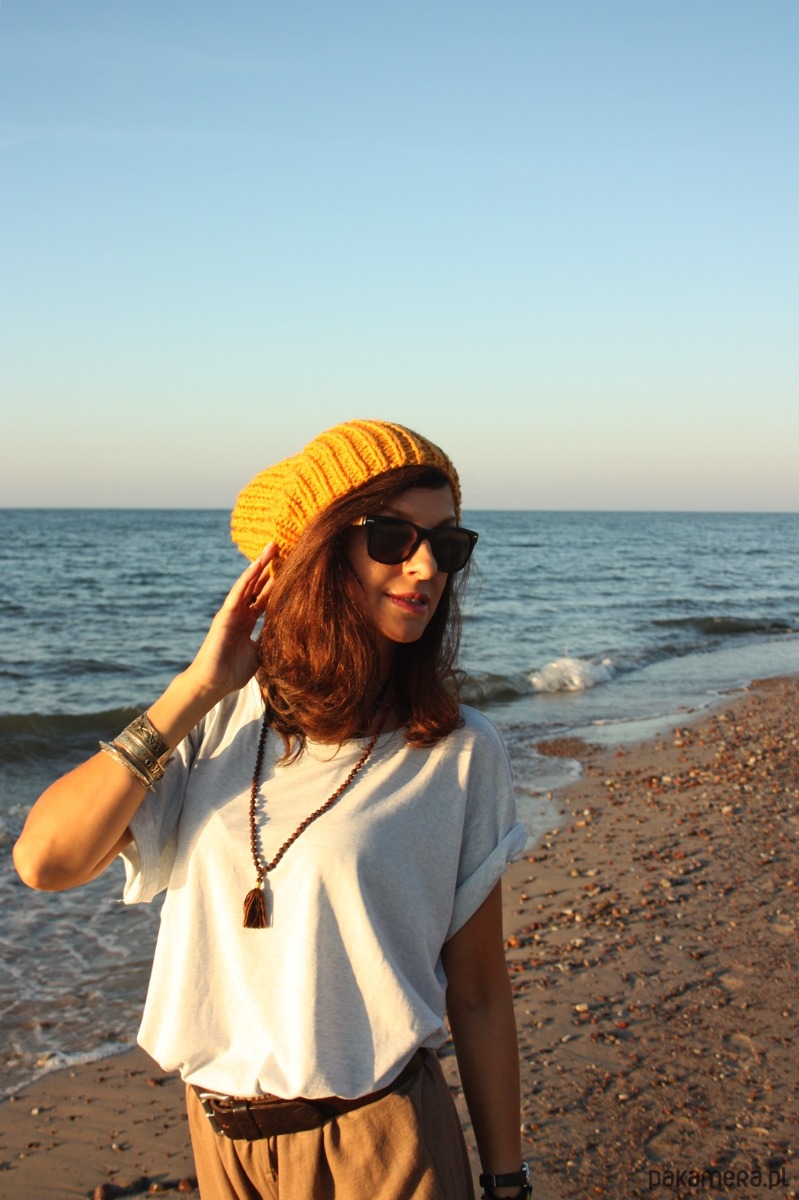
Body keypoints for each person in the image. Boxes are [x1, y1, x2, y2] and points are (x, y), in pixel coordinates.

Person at [14, 419, 530, 1200]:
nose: (425, 566)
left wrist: (507, 1181)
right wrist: (195, 686)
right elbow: (45, 861)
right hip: (222, 1148)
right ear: (319, 552)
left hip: (381, 1146)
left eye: (446, 544)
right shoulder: (218, 721)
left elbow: (481, 990)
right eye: (392, 537)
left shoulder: (459, 751)